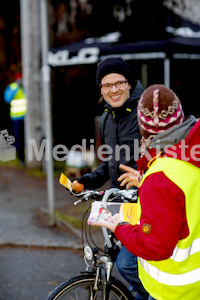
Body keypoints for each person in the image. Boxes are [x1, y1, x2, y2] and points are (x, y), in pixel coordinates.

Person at [92, 84, 200, 300]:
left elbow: (155, 247)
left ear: (143, 128)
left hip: (175, 290)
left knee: (126, 263)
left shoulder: (161, 176)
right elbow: (185, 187)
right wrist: (145, 180)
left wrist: (118, 227)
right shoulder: (189, 152)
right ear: (180, 115)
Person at [72, 56, 148, 299]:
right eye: (107, 85)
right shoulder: (106, 118)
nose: (113, 89)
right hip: (120, 206)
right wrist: (86, 181)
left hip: (148, 202)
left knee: (127, 263)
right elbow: (110, 163)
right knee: (116, 260)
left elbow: (168, 157)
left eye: (119, 83)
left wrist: (144, 177)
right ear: (101, 89)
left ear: (128, 83)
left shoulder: (145, 113)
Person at [4, 72, 27, 164]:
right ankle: (21, 158)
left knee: (28, 139)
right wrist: (17, 87)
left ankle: (30, 157)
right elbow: (7, 98)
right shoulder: (13, 87)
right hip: (16, 118)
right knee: (19, 138)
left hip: (28, 118)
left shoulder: (27, 86)